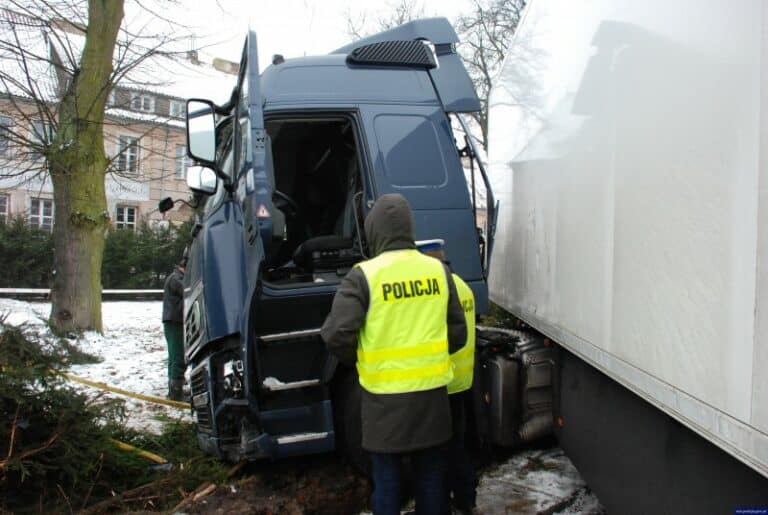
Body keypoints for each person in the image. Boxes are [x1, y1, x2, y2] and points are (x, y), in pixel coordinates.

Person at [321, 194, 467, 515]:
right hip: (432, 403)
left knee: (387, 485)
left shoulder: (363, 276)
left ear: (374, 231)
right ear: (408, 228)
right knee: (432, 481)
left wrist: (364, 361)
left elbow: (336, 335)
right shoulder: (439, 272)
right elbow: (458, 335)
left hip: (383, 405)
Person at [418, 240, 477, 515]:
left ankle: (440, 505)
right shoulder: (463, 286)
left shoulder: (436, 291)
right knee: (459, 446)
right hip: (464, 379)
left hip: (444, 380)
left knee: (439, 452)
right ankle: (467, 498)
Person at [162, 256, 186, 401]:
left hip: (173, 321)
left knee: (174, 356)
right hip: (175, 321)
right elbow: (188, 289)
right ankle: (176, 393)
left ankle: (174, 390)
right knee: (178, 355)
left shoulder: (175, 277)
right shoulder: (176, 278)